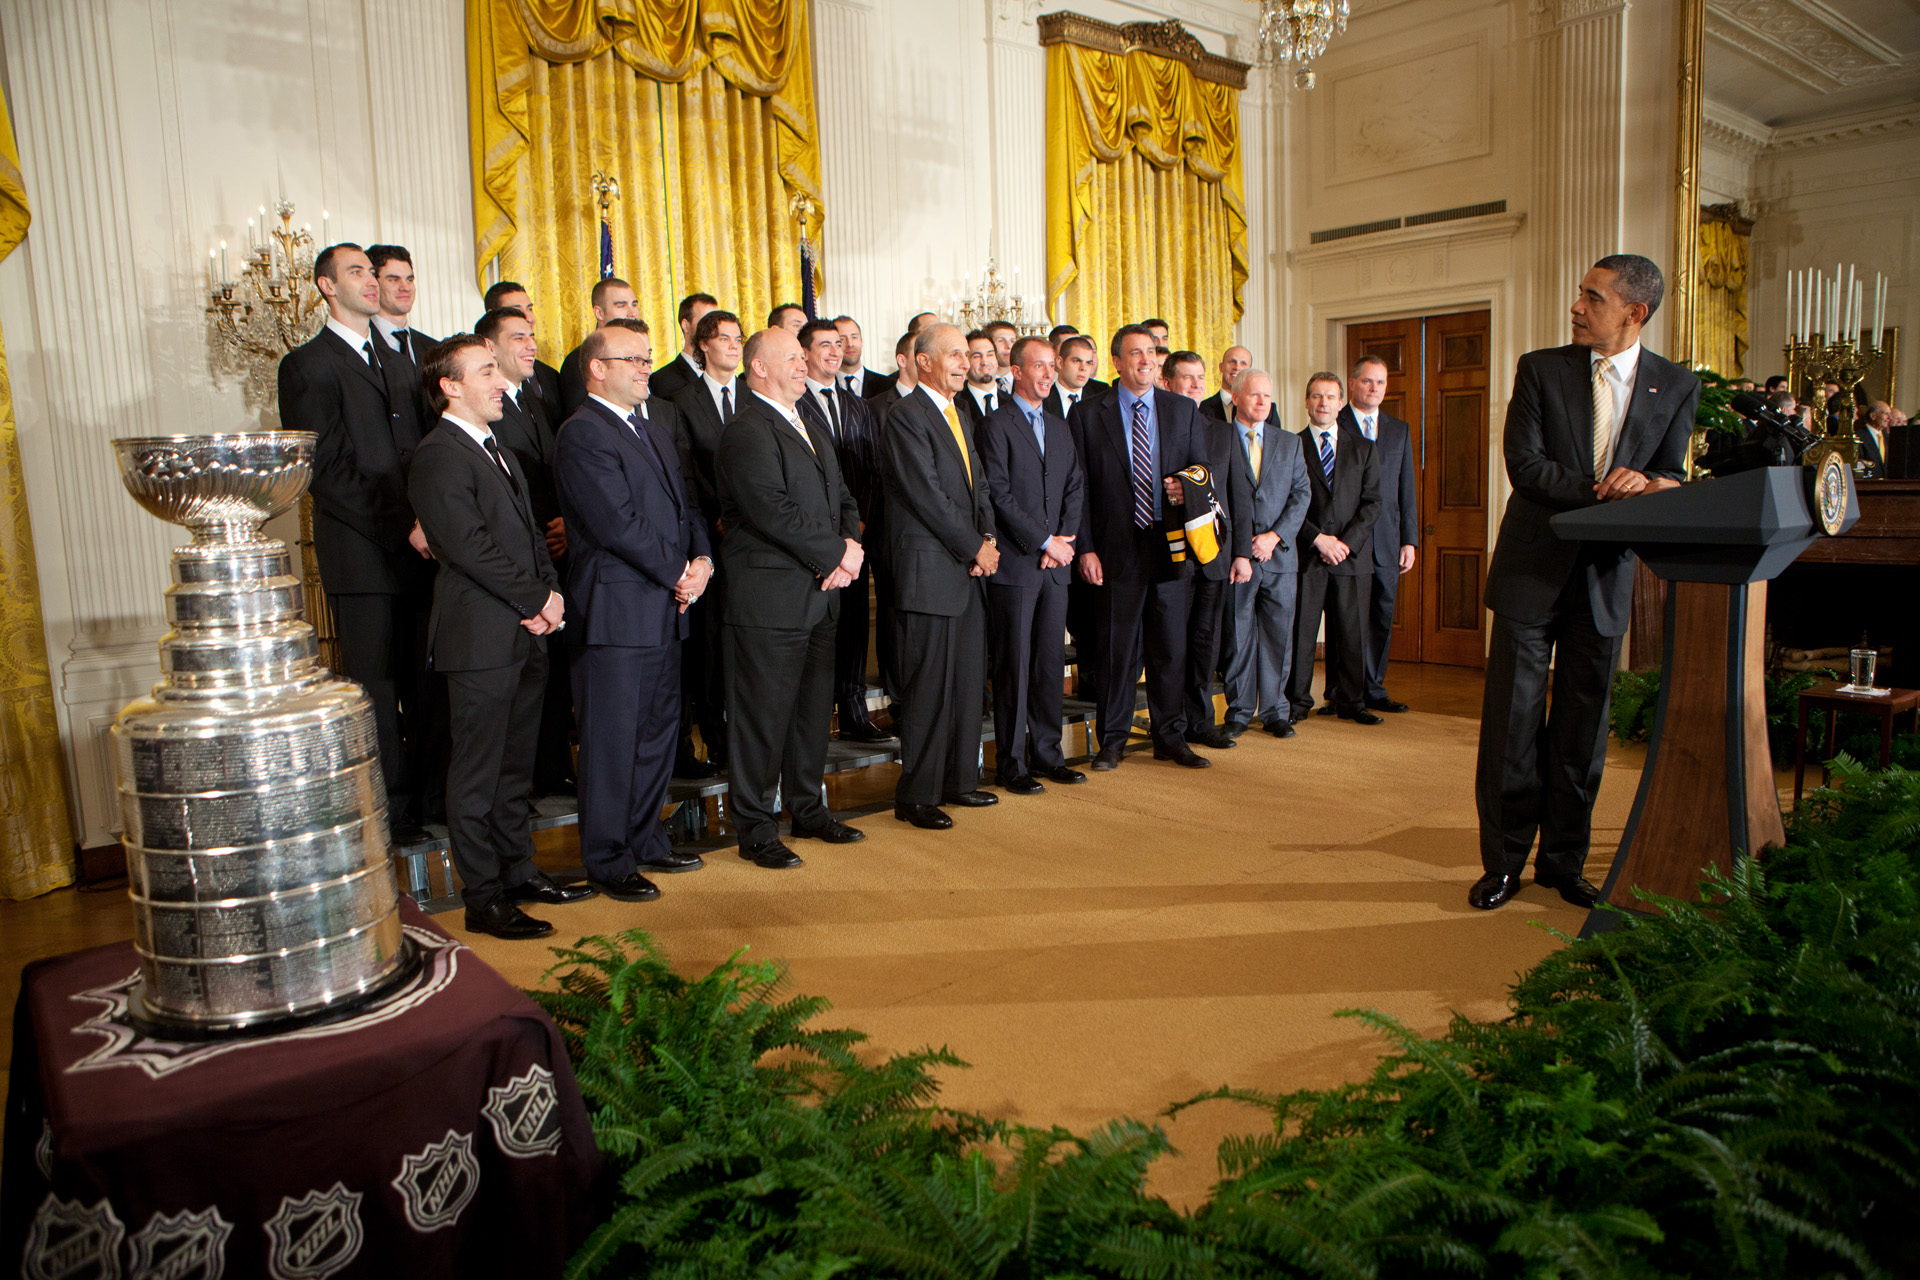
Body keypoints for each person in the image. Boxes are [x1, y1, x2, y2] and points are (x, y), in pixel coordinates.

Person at [1473, 253, 1698, 912]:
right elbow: (1526, 466)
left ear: (1635, 313)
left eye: (1593, 298)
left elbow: (1670, 473)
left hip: (1605, 579)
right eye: (1581, 294)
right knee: (1512, 729)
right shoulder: (1541, 369)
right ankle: (1505, 863)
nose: (1576, 306)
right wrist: (1609, 490)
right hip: (1530, 571)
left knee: (1583, 730)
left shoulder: (1675, 385)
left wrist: (1654, 485)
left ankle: (1563, 863)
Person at [407, 335, 593, 940]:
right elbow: (469, 550)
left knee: (515, 772)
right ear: (450, 386)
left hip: (526, 632)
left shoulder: (501, 450)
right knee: (477, 776)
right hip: (481, 638)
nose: (501, 381)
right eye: (486, 371)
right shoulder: (438, 455)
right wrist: (536, 598)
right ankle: (483, 898)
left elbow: (532, 538)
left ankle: (519, 873)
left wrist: (549, 593)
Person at [277, 243, 436, 845]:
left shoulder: (400, 361)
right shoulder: (307, 365)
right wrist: (404, 526)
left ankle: (429, 801)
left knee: (424, 683)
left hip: (420, 548)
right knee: (377, 688)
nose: (371, 281)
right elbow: (329, 469)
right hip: (365, 554)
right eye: (356, 272)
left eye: (372, 271)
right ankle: (389, 817)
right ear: (325, 286)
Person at [554, 319, 712, 902]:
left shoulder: (652, 429)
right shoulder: (583, 433)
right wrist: (679, 572)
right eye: (634, 360)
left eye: (648, 359)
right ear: (598, 368)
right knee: (612, 742)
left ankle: (645, 840)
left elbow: (685, 506)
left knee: (654, 736)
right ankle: (607, 858)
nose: (647, 368)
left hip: (667, 607)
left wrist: (701, 561)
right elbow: (617, 524)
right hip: (617, 612)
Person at [717, 328, 868, 866]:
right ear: (758, 368)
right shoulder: (745, 431)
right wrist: (837, 555)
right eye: (792, 357)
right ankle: (756, 828)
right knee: (762, 719)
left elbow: (843, 496)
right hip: (770, 600)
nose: (805, 364)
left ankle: (808, 809)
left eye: (804, 357)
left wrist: (848, 545)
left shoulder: (808, 422)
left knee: (809, 714)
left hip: (821, 594)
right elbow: (771, 511)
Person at [1069, 324, 1212, 770]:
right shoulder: (1089, 415)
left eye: (1150, 352)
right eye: (1136, 353)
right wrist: (1086, 549)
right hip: (1115, 550)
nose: (1146, 360)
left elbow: (1203, 470)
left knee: (1170, 648)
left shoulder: (1182, 410)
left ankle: (1170, 737)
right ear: (1116, 362)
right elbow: (1081, 489)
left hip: (1170, 548)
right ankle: (1111, 740)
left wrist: (1183, 485)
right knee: (1116, 650)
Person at [881, 323, 1000, 826]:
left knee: (967, 683)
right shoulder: (905, 416)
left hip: (968, 568)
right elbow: (926, 494)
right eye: (953, 354)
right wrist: (974, 544)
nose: (964, 361)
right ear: (923, 361)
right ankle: (917, 796)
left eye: (965, 355)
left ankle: (958, 782)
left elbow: (979, 485)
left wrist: (988, 539)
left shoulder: (958, 412)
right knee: (929, 688)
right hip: (930, 571)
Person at [978, 337, 1086, 794]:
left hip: (1054, 567)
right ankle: (1012, 763)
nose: (1047, 374)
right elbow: (998, 496)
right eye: (1038, 366)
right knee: (1014, 668)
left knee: (1048, 666)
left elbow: (1075, 487)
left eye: (1051, 366)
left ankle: (1048, 754)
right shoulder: (995, 425)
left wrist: (1061, 542)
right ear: (1016, 371)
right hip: (1016, 567)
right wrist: (1044, 540)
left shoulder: (1060, 427)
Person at [476, 304, 574, 796]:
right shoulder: (484, 409)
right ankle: (525, 780)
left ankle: (553, 767)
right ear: (489, 348)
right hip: (513, 557)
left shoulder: (537, 400)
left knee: (553, 673)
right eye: (519, 337)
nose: (531, 345)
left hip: (553, 547)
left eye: (532, 335)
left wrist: (561, 525)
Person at [795, 318, 890, 742]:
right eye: (825, 345)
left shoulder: (858, 405)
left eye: (840, 344)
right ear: (804, 354)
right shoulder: (794, 405)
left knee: (853, 626)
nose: (835, 351)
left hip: (854, 534)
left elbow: (872, 471)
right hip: (813, 540)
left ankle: (853, 712)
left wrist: (858, 527)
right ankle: (813, 721)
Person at [670, 308, 746, 773]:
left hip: (752, 538)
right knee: (710, 648)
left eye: (740, 338)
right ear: (703, 345)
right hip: (709, 538)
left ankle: (740, 741)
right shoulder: (681, 400)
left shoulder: (756, 397)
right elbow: (687, 472)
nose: (735, 346)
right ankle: (713, 740)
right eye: (725, 338)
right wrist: (717, 517)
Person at [1166, 350, 1252, 747]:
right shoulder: (1157, 429)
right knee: (1171, 646)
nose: (1197, 384)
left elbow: (1240, 496)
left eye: (1201, 378)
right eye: (1188, 377)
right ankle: (1171, 725)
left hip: (1215, 557)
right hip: (1170, 558)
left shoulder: (1223, 430)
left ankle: (1201, 723)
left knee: (1205, 643)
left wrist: (1242, 553)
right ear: (1167, 382)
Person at [1287, 372, 1382, 727]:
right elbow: (1287, 502)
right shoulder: (1291, 445)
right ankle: (1296, 702)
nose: (1323, 403)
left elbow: (1373, 503)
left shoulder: (1364, 449)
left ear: (1341, 403)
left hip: (1350, 557)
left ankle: (1350, 700)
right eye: (1316, 396)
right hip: (1306, 555)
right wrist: (1317, 539)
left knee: (1352, 632)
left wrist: (1345, 543)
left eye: (1330, 397)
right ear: (1307, 402)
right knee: (1302, 633)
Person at [1222, 371, 1311, 738]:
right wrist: (1243, 547)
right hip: (1237, 559)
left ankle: (1275, 711)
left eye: (1267, 396)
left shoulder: (1289, 443)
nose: (1262, 402)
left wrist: (1274, 536)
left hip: (1280, 556)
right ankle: (1240, 711)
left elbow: (1301, 494)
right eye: (1254, 395)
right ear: (1237, 398)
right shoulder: (1219, 438)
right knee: (1239, 635)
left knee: (1278, 636)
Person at [1335, 355, 1419, 715]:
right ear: (1352, 384)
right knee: (1347, 618)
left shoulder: (1399, 430)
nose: (1374, 388)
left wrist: (1409, 539)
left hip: (1387, 540)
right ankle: (1343, 691)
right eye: (1368, 381)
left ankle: (1374, 686)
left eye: (1381, 382)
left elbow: (1406, 490)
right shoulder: (1333, 421)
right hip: (1347, 539)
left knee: (1382, 614)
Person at [558, 277, 641, 413]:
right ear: (599, 313)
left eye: (634, 305)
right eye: (621, 306)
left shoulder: (640, 353)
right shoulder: (578, 360)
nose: (632, 313)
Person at [483, 281, 563, 408]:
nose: (528, 317)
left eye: (529, 309)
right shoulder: (483, 390)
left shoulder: (550, 375)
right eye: (516, 310)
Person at [366, 245, 432, 371]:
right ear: (373, 283)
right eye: (394, 280)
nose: (405, 288)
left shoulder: (433, 348)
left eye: (409, 280)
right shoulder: (361, 347)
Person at [651, 292, 718, 400]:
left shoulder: (726, 374)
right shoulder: (662, 380)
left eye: (716, 323)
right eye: (705, 321)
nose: (713, 329)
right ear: (686, 326)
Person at [1044, 334, 1105, 420]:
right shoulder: (1042, 400)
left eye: (1088, 363)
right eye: (1076, 361)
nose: (1083, 368)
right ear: (1060, 362)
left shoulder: (1101, 398)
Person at [955, 329, 1002, 433]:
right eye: (977, 356)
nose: (985, 362)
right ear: (966, 361)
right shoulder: (955, 403)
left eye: (990, 355)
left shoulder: (1012, 401)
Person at [834, 315, 892, 398]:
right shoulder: (824, 386)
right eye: (842, 339)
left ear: (861, 341)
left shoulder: (888, 386)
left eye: (854, 337)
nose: (850, 344)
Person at [984, 319, 1018, 395]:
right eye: (1001, 341)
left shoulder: (1026, 382)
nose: (1008, 346)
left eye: (1012, 341)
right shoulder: (977, 381)